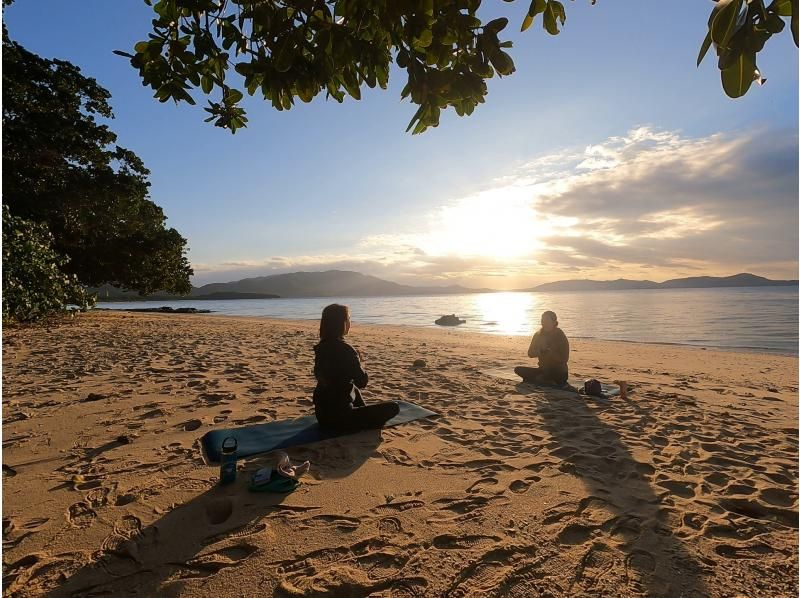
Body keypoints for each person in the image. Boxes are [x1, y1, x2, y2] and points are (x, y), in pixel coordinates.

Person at [313, 304, 400, 431]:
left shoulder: (321, 348)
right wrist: (359, 361)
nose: (350, 322)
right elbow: (362, 382)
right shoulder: (346, 350)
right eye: (348, 318)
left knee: (352, 388)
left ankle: (360, 412)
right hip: (340, 420)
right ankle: (362, 419)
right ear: (341, 322)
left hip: (322, 416)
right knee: (394, 407)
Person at [514, 310, 570, 385]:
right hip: (543, 370)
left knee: (555, 375)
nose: (544, 322)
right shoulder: (538, 335)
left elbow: (564, 359)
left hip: (558, 371)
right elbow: (530, 353)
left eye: (547, 320)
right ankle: (542, 379)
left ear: (554, 322)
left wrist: (551, 352)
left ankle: (542, 379)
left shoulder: (560, 336)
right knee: (518, 369)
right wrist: (540, 351)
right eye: (542, 320)